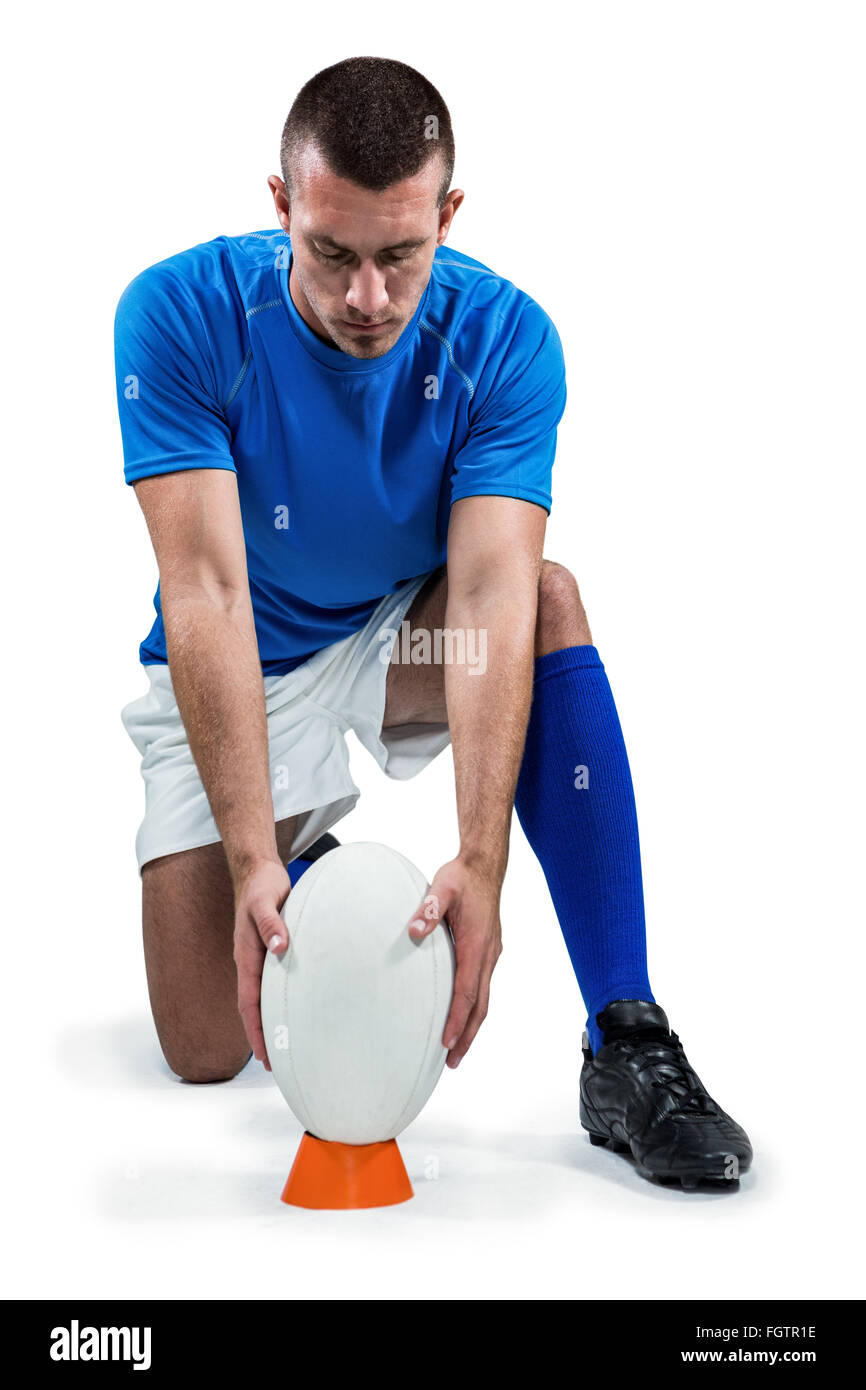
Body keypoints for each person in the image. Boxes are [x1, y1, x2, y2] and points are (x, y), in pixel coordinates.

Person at [115, 56, 751, 1189]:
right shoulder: (176, 313)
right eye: (331, 253)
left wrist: (480, 860)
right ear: (281, 208)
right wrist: (256, 855)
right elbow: (204, 591)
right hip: (238, 659)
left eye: (400, 255)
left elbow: (495, 598)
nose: (367, 297)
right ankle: (314, 864)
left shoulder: (504, 339)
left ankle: (627, 1036)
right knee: (207, 1048)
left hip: (398, 646)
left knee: (549, 593)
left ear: (447, 215)